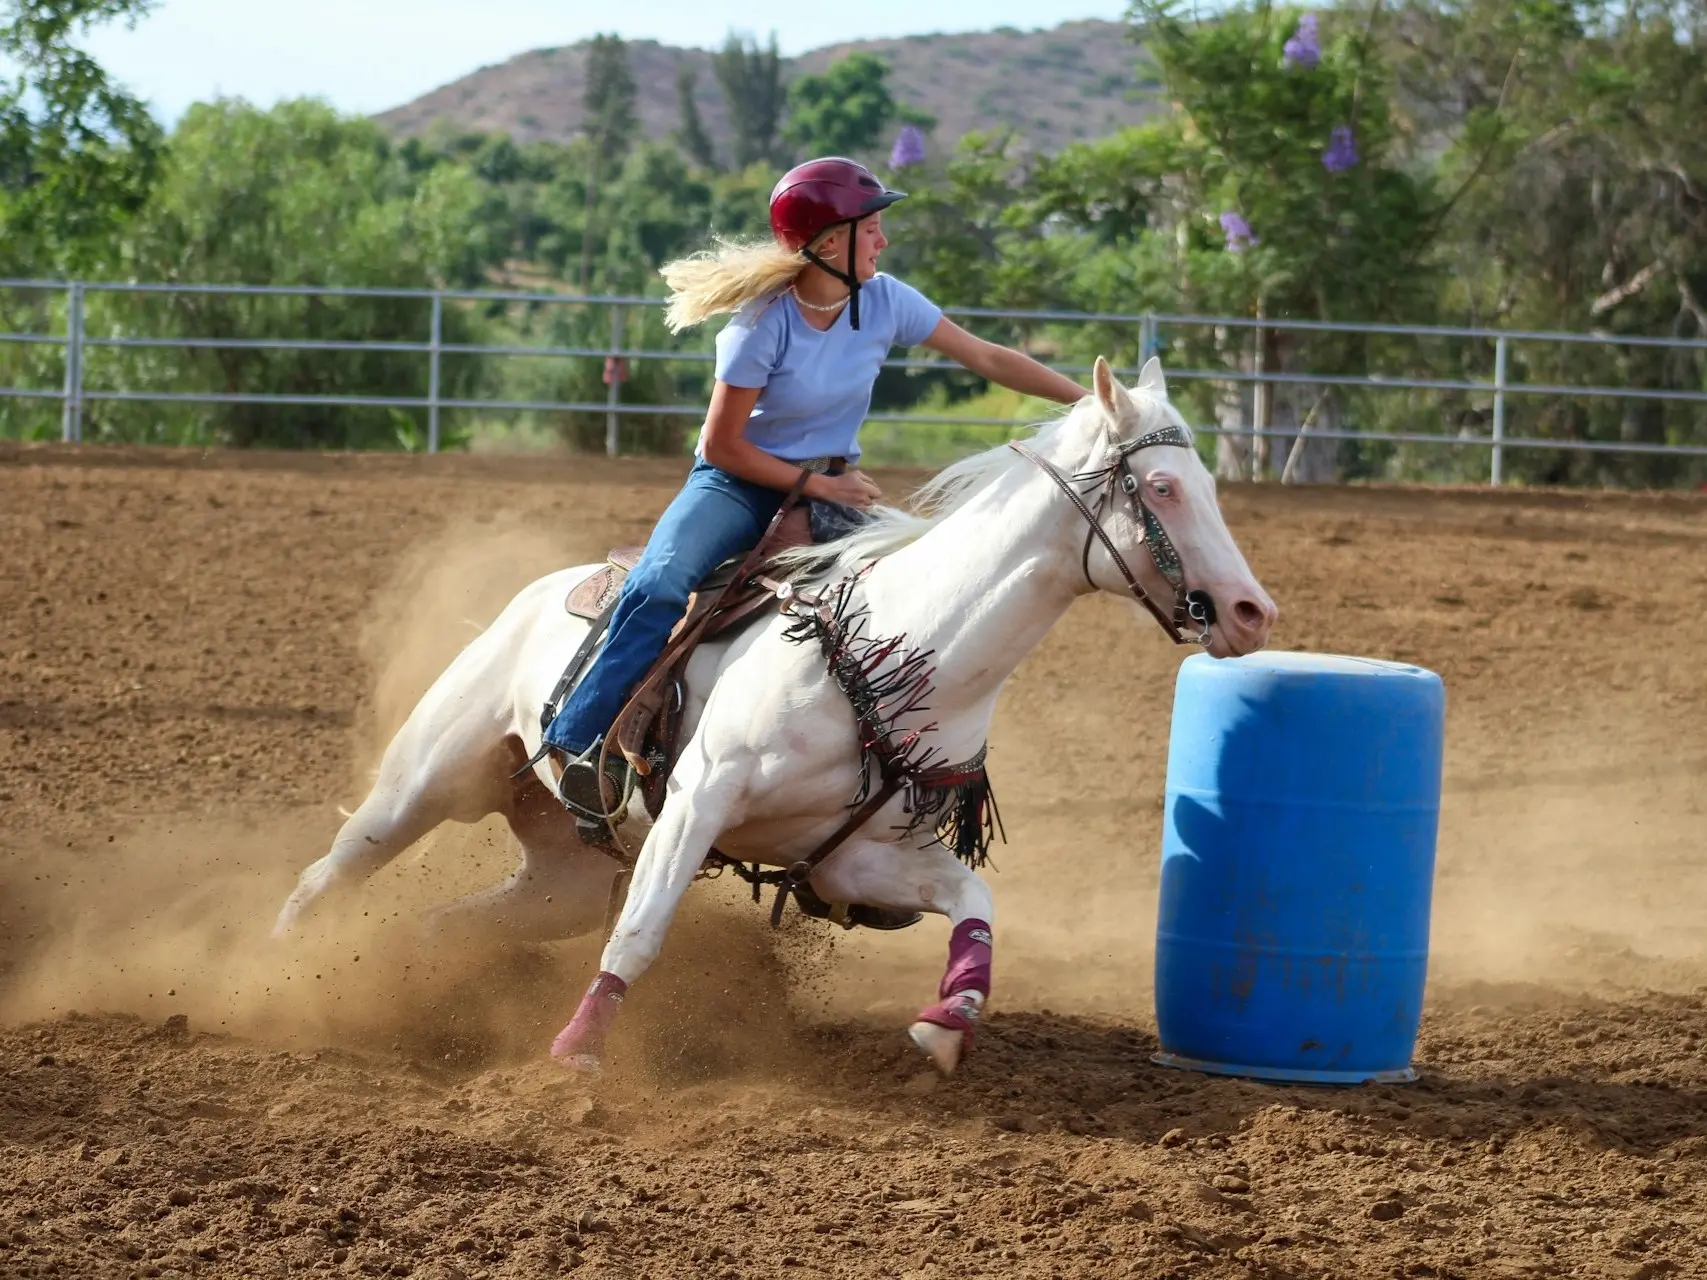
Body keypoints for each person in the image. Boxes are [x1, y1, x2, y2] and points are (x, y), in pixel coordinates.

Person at [544, 156, 1088, 820]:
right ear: (830, 242)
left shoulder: (885, 299)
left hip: (831, 484)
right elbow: (722, 446)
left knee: (921, 597)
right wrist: (820, 489)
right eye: (872, 228)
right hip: (736, 483)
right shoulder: (758, 324)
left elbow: (987, 357)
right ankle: (580, 743)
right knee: (659, 581)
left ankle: (895, 794)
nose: (883, 241)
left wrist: (1090, 403)